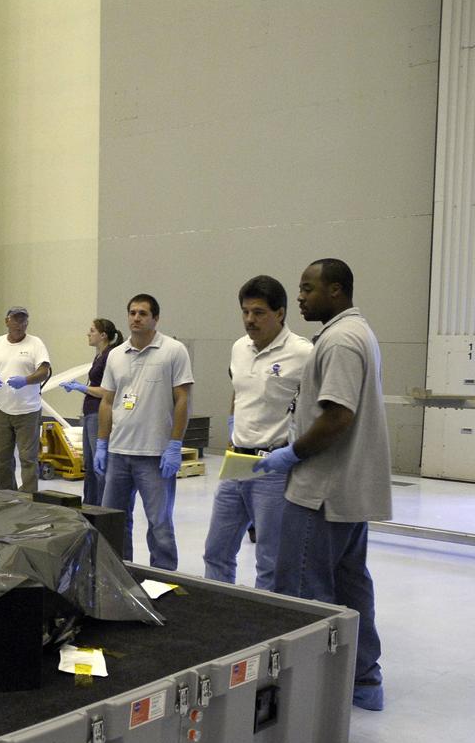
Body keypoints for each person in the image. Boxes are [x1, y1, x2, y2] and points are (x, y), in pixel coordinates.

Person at [254, 258, 391, 711]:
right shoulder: (357, 333)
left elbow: (337, 416)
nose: (300, 297)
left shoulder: (340, 340)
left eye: (308, 288)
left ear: (336, 290)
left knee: (307, 594)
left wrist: (293, 454)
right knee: (352, 589)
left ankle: (314, 695)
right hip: (347, 493)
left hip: (321, 494)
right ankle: (364, 680)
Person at [202, 276, 312, 589]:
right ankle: (217, 610)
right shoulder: (239, 348)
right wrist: (233, 426)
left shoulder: (302, 353)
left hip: (273, 468)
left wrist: (293, 451)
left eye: (259, 312)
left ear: (280, 313)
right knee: (216, 550)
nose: (250, 319)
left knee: (270, 560)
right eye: (245, 312)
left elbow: (316, 408)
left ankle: (271, 627)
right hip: (236, 461)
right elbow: (239, 390)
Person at [94, 294, 193, 566]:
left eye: (143, 313)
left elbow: (182, 398)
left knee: (159, 525)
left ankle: (163, 580)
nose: (136, 318)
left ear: (155, 318)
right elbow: (107, 401)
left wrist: (174, 445)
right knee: (112, 521)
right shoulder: (115, 355)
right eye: (132, 313)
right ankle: (119, 576)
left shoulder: (173, 351)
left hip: (155, 455)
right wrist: (102, 443)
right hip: (118, 453)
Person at [0, 306, 52, 493]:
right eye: (16, 320)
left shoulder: (35, 344)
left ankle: (29, 499)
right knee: (1, 458)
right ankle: (6, 496)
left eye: (24, 320)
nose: (21, 324)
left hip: (28, 411)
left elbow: (44, 371)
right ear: (7, 321)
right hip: (1, 408)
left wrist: (26, 380)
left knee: (28, 458)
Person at [60, 318, 123, 505]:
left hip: (99, 415)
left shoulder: (109, 357)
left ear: (103, 335)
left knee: (99, 466)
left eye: (92, 330)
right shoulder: (99, 356)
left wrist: (81, 387)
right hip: (89, 414)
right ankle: (90, 505)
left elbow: (106, 391)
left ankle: (104, 506)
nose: (88, 334)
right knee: (89, 465)